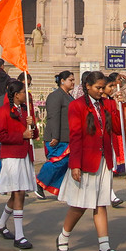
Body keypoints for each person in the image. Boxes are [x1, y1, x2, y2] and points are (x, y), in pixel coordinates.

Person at [55, 70, 125, 251]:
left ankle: (104, 247)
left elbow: (118, 129)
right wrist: (75, 164)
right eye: (98, 88)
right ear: (88, 86)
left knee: (101, 203)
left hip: (103, 160)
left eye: (104, 88)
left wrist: (118, 106)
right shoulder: (77, 106)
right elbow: (75, 137)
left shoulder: (108, 103)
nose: (102, 91)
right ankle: (63, 236)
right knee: (79, 205)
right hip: (85, 161)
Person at [0, 79, 37, 249]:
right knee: (18, 193)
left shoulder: (25, 110)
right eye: (23, 92)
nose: (26, 94)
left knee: (18, 193)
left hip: (24, 155)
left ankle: (1, 224)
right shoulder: (4, 111)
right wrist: (22, 136)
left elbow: (32, 134)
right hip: (12, 156)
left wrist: (32, 126)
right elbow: (1, 136)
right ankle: (19, 235)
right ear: (16, 94)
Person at [35, 69, 74, 199]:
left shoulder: (69, 96)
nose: (73, 82)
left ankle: (58, 188)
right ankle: (39, 183)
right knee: (56, 162)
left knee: (65, 163)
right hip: (57, 137)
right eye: (71, 80)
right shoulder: (55, 96)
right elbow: (53, 117)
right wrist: (55, 136)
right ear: (62, 81)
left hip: (67, 136)